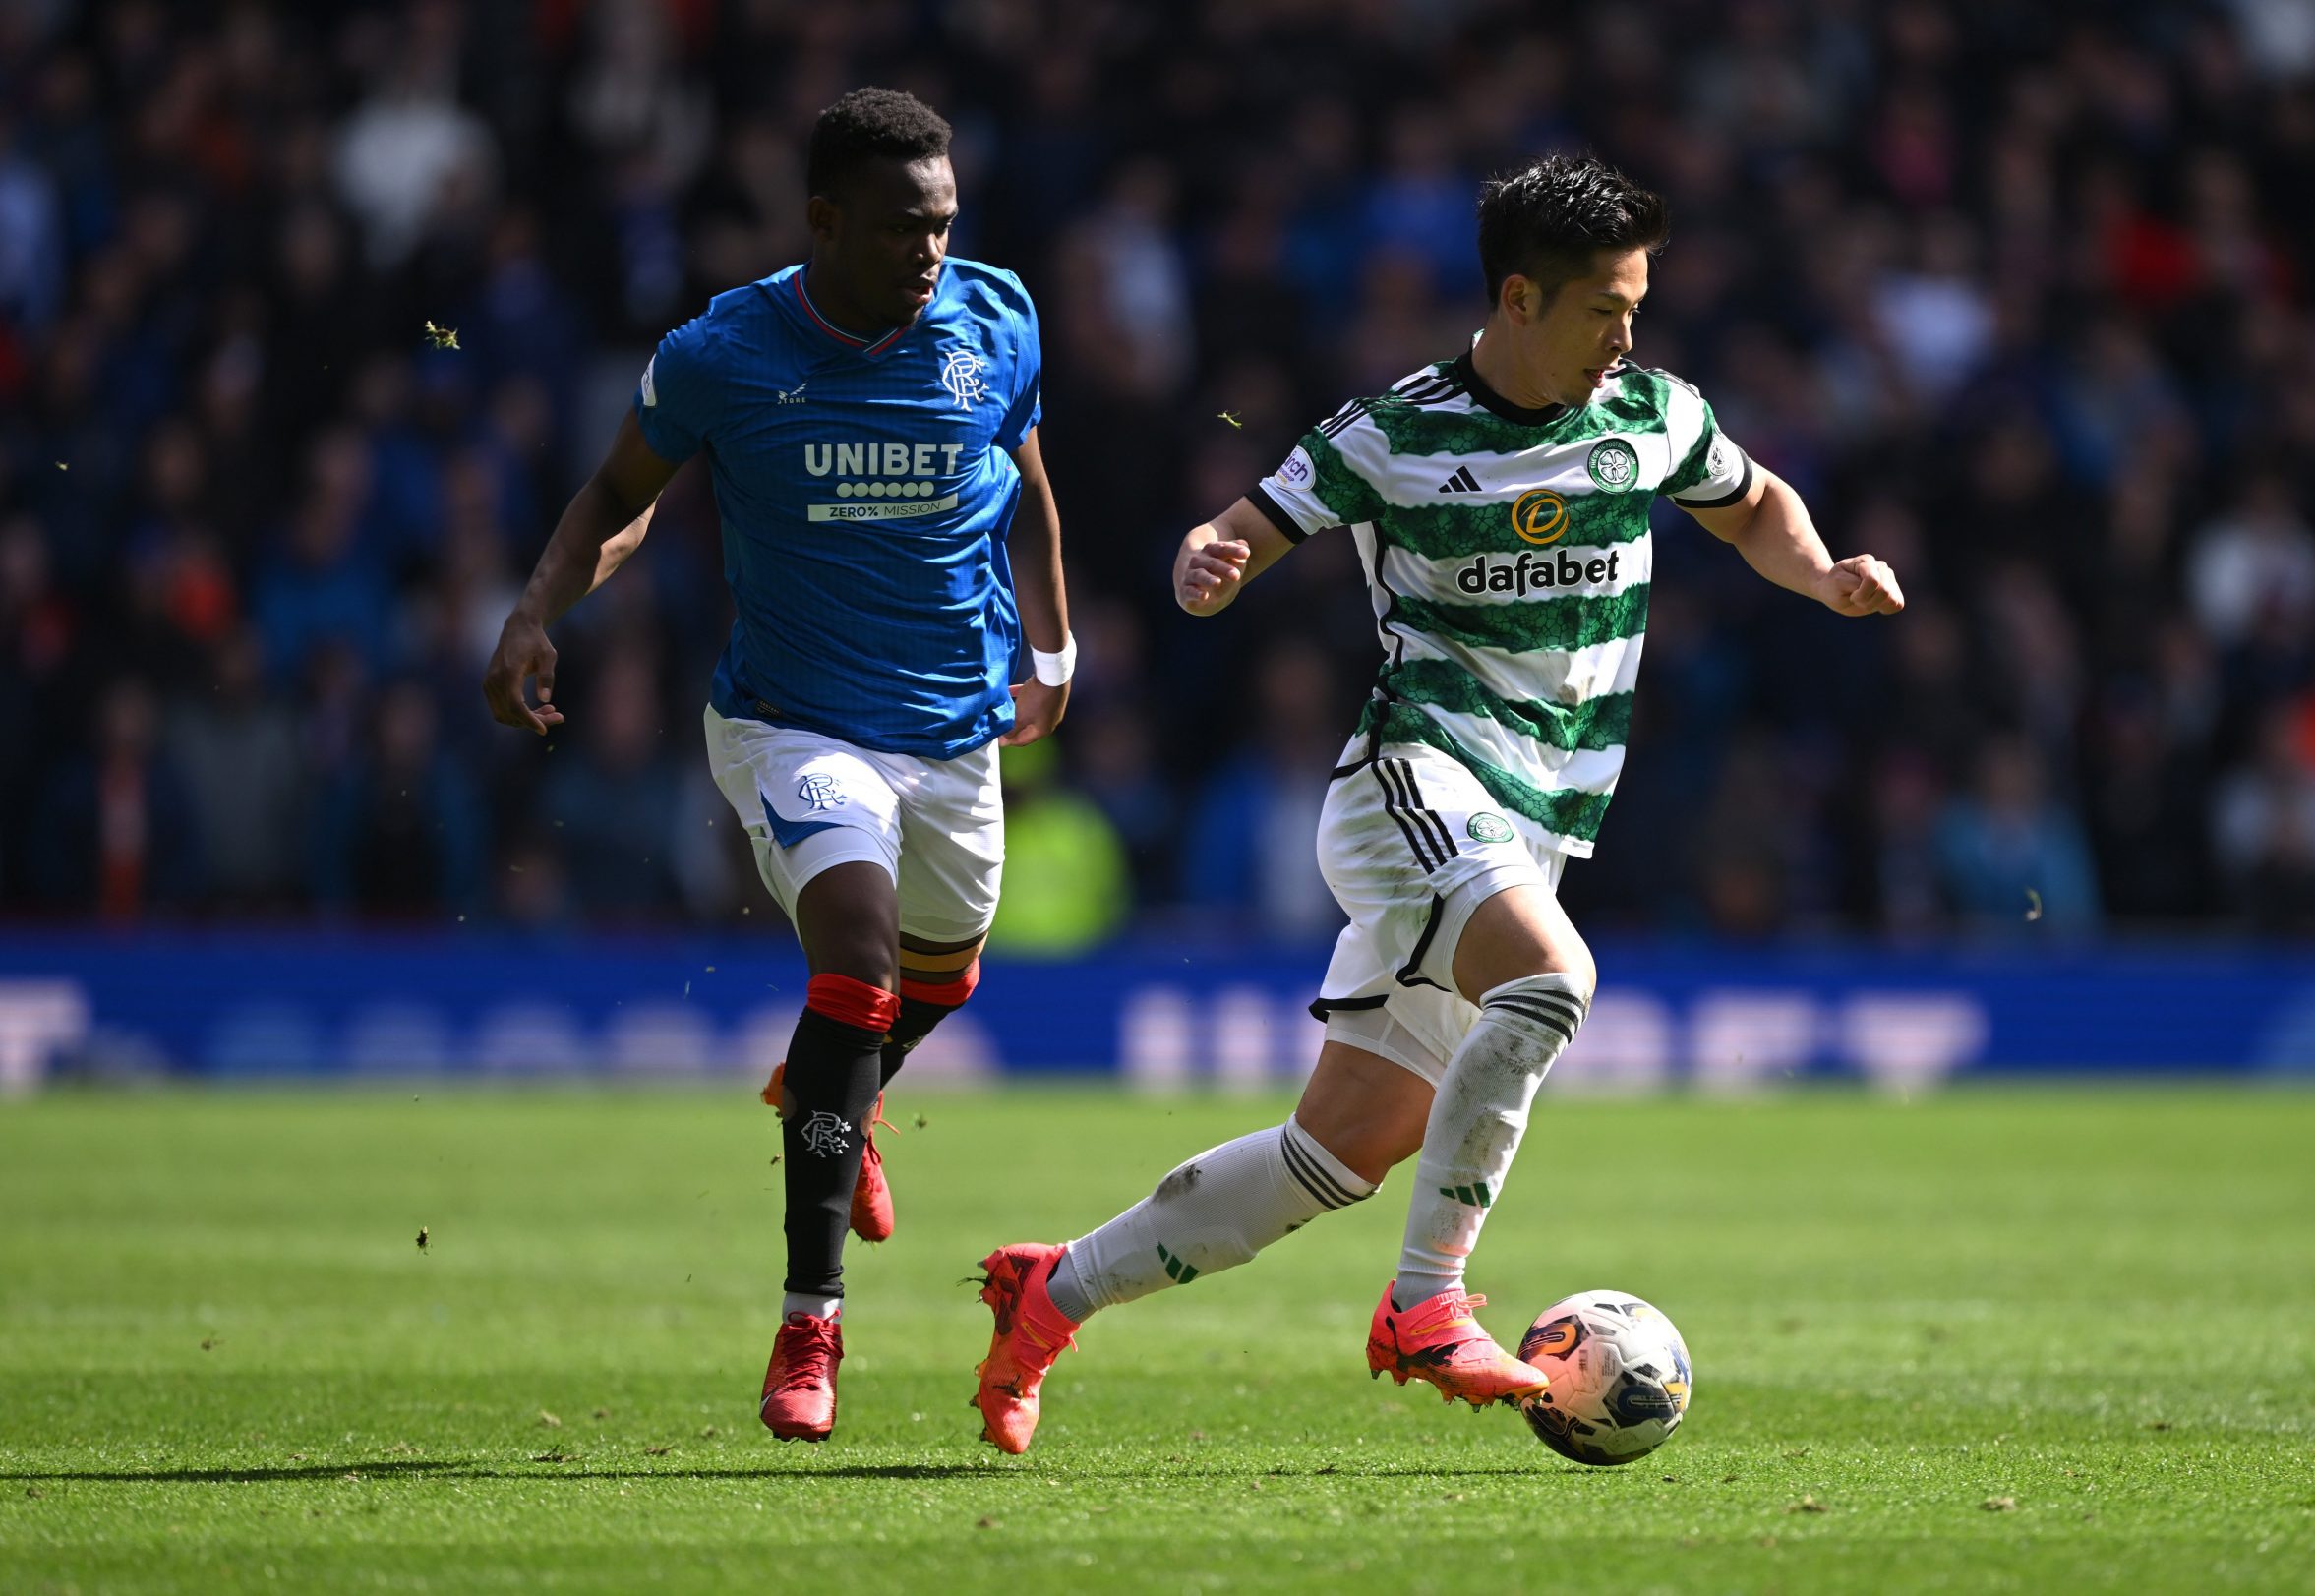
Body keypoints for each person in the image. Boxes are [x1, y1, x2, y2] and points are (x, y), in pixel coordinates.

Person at [969, 154, 1901, 1454]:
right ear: (1518, 299)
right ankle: (1427, 1302)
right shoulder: (1392, 434)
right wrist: (1209, 563)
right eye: (1603, 311)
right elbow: (1235, 530)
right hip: (1415, 778)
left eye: (1638, 307)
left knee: (1336, 1157)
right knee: (1553, 985)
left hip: (1531, 826)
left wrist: (1825, 575)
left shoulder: (1652, 413)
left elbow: (1751, 509)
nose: (1625, 338)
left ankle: (1047, 1292)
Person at [481, 89, 1073, 1444]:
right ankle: (814, 1320)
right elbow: (614, 500)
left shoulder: (996, 316)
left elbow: (1028, 483)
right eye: (900, 227)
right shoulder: (727, 352)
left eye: (943, 223)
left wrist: (1056, 647)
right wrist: (533, 614)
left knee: (941, 973)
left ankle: (832, 1094)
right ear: (821, 220)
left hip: (954, 724)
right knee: (857, 960)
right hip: (792, 722)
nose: (930, 250)